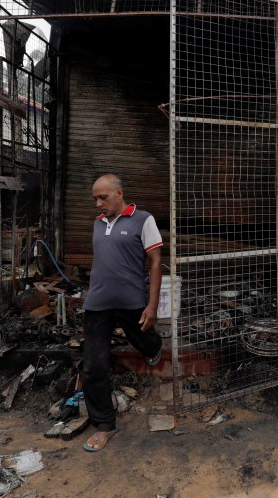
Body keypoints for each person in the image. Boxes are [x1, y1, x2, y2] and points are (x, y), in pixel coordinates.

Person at [81, 173, 164, 452]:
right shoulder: (98, 222)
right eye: (95, 198)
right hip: (97, 304)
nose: (98, 203)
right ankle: (104, 424)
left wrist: (152, 305)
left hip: (131, 301)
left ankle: (155, 348)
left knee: (144, 338)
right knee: (93, 366)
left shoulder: (143, 220)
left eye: (102, 197)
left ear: (119, 193)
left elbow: (155, 262)